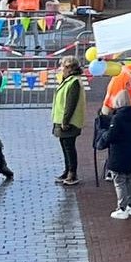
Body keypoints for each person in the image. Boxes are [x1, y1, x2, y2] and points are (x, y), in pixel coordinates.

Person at [97, 90, 131, 214]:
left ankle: (121, 208)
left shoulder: (118, 118)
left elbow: (111, 136)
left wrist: (103, 134)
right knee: (128, 179)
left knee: (119, 181)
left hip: (118, 154)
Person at [51, 56, 85, 187]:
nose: (61, 69)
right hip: (61, 119)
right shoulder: (68, 80)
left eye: (63, 67)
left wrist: (65, 121)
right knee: (65, 146)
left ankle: (72, 173)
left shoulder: (74, 82)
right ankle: (67, 170)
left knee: (69, 147)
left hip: (70, 121)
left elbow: (71, 103)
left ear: (70, 68)